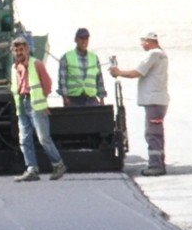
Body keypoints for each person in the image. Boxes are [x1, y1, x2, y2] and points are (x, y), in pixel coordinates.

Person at [109, 30, 169, 176]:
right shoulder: (162, 54)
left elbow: (137, 72)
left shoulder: (153, 54)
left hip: (154, 100)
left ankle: (156, 166)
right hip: (159, 100)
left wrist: (118, 72)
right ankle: (159, 162)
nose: (142, 44)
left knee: (152, 133)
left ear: (149, 41)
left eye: (143, 41)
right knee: (157, 133)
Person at [10, 36, 67, 182]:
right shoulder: (14, 67)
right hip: (22, 106)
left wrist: (44, 102)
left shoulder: (37, 64)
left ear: (27, 50)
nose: (19, 52)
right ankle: (32, 170)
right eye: (16, 50)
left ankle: (58, 164)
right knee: (24, 139)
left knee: (43, 138)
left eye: (21, 49)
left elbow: (47, 83)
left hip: (36, 105)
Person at [58, 27, 107, 106]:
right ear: (76, 40)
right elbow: (62, 80)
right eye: (81, 38)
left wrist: (102, 99)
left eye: (86, 38)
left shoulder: (94, 58)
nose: (84, 41)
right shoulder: (66, 57)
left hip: (91, 100)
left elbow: (99, 80)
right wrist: (65, 98)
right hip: (73, 100)